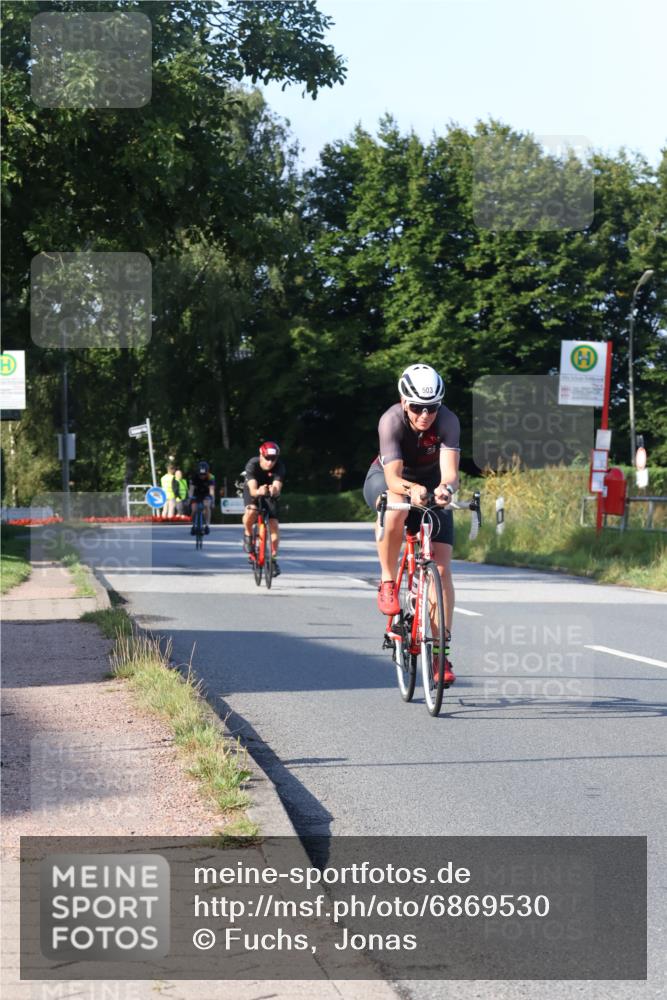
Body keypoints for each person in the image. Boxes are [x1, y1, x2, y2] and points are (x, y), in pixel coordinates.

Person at [363, 363, 460, 686]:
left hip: (430, 486)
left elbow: (450, 473)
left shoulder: (448, 421)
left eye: (432, 407)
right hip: (389, 480)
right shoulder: (391, 421)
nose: (425, 415)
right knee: (395, 508)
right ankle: (388, 580)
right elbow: (393, 478)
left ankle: (440, 655)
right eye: (417, 407)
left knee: (441, 570)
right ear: (404, 402)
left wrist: (446, 489)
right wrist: (411, 488)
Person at [241, 441, 285, 576]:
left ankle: (273, 559)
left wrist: (274, 490)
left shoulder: (279, 466)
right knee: (251, 511)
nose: (270, 462)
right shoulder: (252, 464)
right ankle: (248, 533)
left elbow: (277, 486)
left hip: (269, 493)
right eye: (267, 458)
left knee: (274, 524)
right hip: (253, 490)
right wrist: (259, 491)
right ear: (261, 455)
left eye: (273, 459)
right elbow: (253, 490)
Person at [188, 460, 216, 534]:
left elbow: (211, 490)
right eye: (200, 474)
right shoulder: (194, 477)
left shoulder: (211, 477)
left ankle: (207, 525)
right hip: (196, 493)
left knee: (207, 506)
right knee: (194, 509)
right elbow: (191, 489)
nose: (202, 476)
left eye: (204, 474)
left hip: (206, 493)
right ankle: (193, 525)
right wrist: (190, 499)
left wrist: (212, 501)